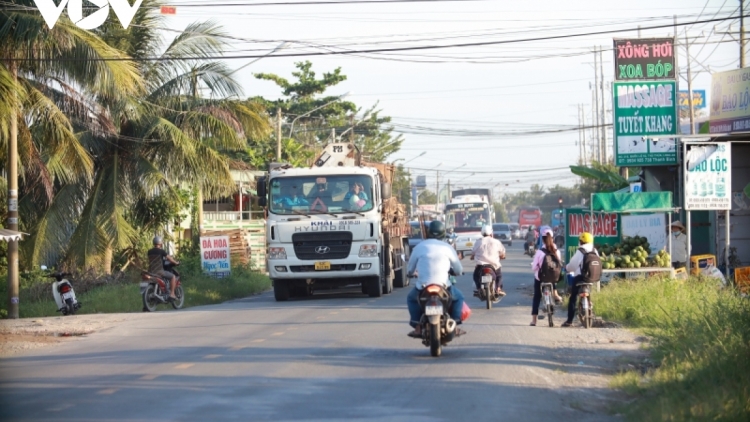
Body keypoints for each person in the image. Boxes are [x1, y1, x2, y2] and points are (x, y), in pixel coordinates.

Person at [406, 220, 466, 338]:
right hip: (443, 286)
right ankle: (455, 324)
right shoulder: (448, 248)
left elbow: (410, 269)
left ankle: (417, 326)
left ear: (428, 232)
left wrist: (410, 274)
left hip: (423, 286)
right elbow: (458, 269)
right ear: (443, 233)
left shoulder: (419, 247)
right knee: (459, 298)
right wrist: (456, 273)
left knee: (411, 299)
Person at [561, 232, 599, 327]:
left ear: (581, 241)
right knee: (589, 292)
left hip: (580, 277)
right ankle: (589, 306)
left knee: (573, 297)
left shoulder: (580, 251)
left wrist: (567, 268)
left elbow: (572, 265)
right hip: (592, 277)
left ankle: (569, 321)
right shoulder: (595, 250)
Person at [530, 228, 564, 326]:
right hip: (554, 278)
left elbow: (534, 268)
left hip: (541, 279)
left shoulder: (540, 252)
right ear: (552, 238)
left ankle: (534, 320)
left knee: (536, 296)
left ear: (543, 239)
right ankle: (555, 293)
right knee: (552, 277)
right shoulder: (557, 251)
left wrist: (537, 267)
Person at [470, 224, 506, 298]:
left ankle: (479, 288)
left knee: (475, 276)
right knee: (499, 276)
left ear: (482, 232)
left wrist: (472, 257)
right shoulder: (496, 242)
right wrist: (502, 256)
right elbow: (502, 252)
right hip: (494, 265)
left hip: (481, 266)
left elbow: (473, 252)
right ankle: (498, 289)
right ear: (491, 232)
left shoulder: (478, 242)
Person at [147, 236, 180, 301]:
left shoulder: (149, 251)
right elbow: (169, 259)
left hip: (150, 271)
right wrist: (176, 263)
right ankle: (172, 294)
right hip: (159, 271)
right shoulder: (161, 251)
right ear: (160, 243)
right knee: (173, 277)